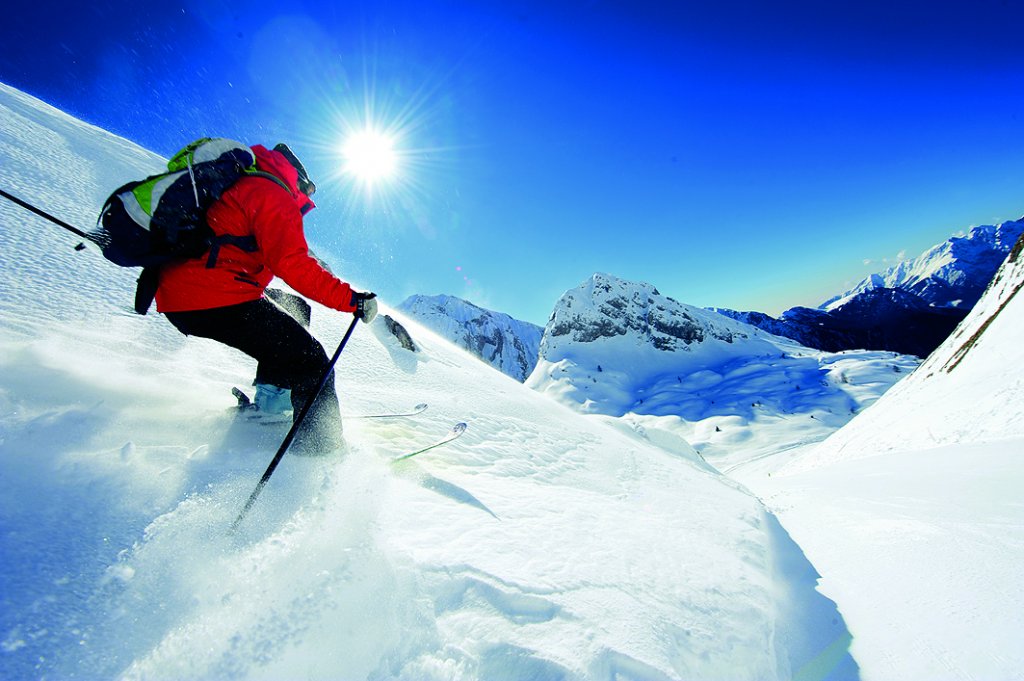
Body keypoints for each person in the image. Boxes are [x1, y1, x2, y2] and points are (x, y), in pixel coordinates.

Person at [155, 142, 377, 453]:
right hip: (212, 296)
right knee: (312, 362)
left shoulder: (247, 182)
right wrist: (352, 300)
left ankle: (271, 405)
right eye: (309, 188)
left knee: (295, 310)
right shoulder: (272, 193)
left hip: (189, 290)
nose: (309, 197)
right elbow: (294, 265)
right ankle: (320, 451)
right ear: (297, 178)